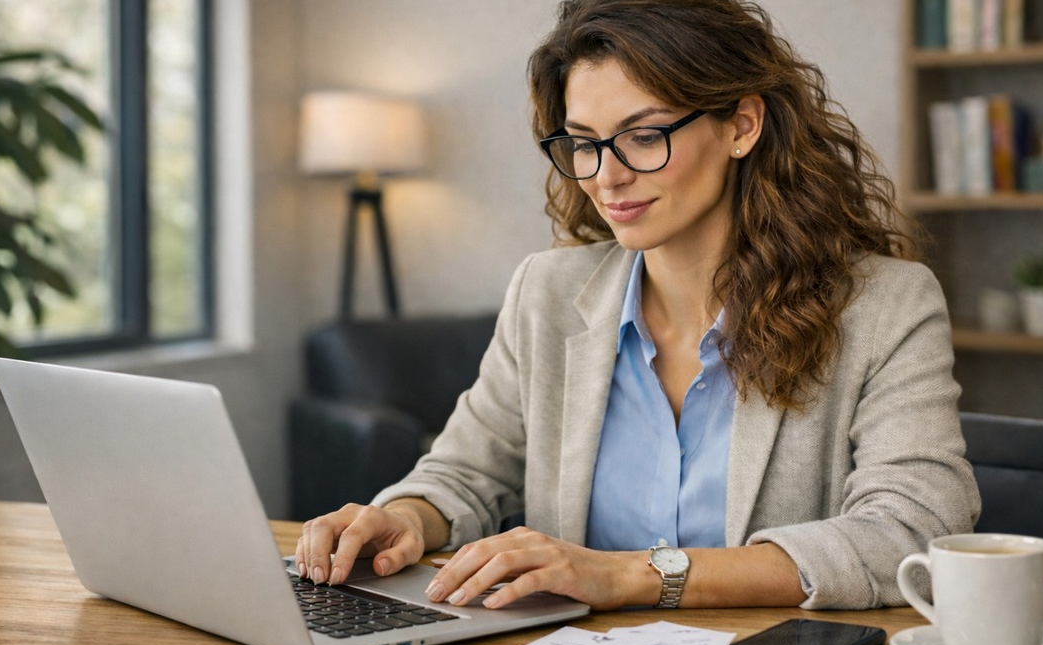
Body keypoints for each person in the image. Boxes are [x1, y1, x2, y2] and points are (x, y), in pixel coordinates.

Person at [295, 0, 980, 611]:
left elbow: (912, 533)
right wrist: (407, 517)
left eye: (644, 136)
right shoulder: (546, 291)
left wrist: (628, 575)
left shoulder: (886, 306)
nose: (606, 175)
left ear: (742, 125)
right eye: (583, 143)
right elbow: (467, 471)